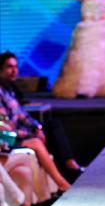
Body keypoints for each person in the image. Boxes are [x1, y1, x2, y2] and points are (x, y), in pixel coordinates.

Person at [0, 51, 85, 179]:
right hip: (11, 137)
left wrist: (37, 128)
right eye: (9, 67)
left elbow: (22, 115)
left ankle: (69, 165)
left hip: (21, 131)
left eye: (16, 66)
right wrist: (30, 133)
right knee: (39, 140)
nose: (14, 71)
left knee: (53, 124)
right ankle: (65, 177)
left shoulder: (10, 89)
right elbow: (6, 126)